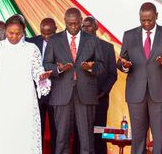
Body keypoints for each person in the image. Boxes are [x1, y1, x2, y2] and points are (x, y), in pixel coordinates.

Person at [0, 14, 52, 154]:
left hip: (25, 101)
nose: (14, 36)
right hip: (2, 100)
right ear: (5, 30)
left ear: (23, 32)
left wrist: (42, 77)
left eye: (18, 33)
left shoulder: (32, 49)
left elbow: (37, 71)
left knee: (23, 136)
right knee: (1, 136)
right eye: (11, 33)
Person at [117, 2, 162, 154]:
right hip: (135, 93)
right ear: (139, 17)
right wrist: (125, 65)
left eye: (150, 20)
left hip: (160, 93)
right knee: (138, 137)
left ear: (157, 16)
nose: (146, 23)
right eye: (143, 20)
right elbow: (121, 61)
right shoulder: (129, 35)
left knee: (159, 138)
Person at [43, 8, 105, 154]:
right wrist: (59, 69)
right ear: (64, 21)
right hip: (61, 94)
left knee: (86, 140)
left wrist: (91, 68)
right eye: (70, 24)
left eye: (76, 24)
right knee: (61, 139)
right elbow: (46, 64)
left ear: (81, 21)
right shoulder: (54, 40)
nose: (73, 27)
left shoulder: (92, 40)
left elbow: (101, 65)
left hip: (85, 94)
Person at [73, 16, 117, 154]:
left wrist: (102, 93)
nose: (86, 28)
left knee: (99, 134)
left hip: (100, 99)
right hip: (79, 99)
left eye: (89, 26)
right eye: (83, 26)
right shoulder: (75, 47)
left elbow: (112, 74)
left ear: (96, 27)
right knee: (80, 135)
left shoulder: (107, 47)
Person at [27, 17, 57, 154]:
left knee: (55, 128)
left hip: (56, 92)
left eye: (49, 33)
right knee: (37, 127)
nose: (45, 36)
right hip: (36, 92)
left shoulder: (62, 43)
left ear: (55, 30)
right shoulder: (32, 42)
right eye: (43, 33)